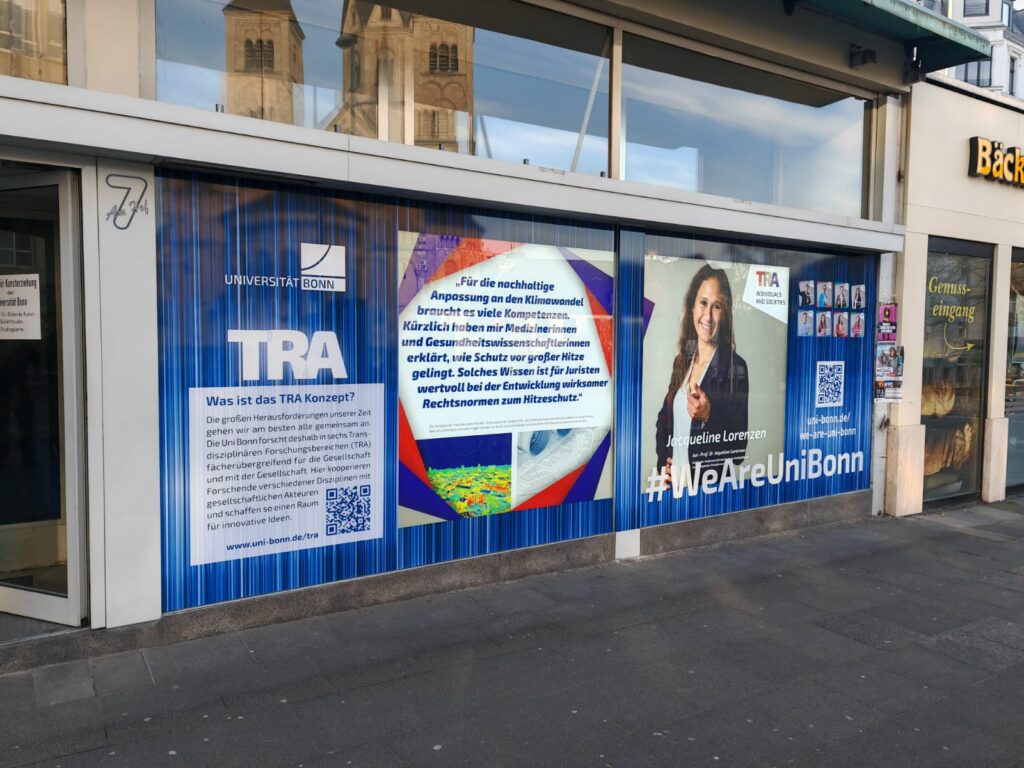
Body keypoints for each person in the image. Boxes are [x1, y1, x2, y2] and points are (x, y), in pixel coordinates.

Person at [656, 263, 749, 482]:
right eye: (703, 303)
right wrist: (663, 463)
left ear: (724, 314)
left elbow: (738, 450)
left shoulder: (735, 367)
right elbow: (663, 420)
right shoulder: (681, 362)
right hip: (675, 490)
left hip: (709, 493)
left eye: (716, 306)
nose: (707, 316)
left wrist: (709, 416)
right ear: (692, 308)